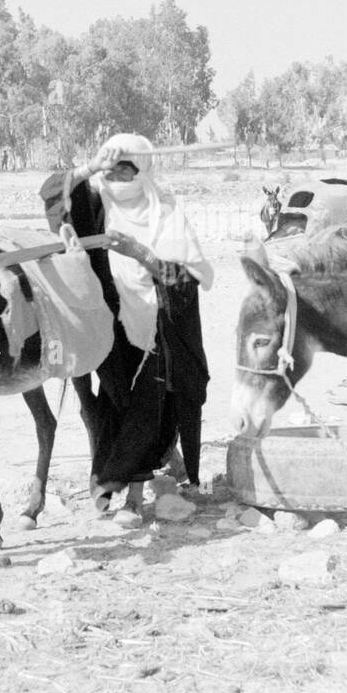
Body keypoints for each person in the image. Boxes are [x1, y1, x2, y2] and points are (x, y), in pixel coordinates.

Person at [40, 134, 212, 527]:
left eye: (126, 171)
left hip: (159, 331)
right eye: (111, 172)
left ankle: (132, 498)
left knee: (147, 409)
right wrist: (91, 167)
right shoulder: (98, 206)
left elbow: (186, 279)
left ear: (142, 172)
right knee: (115, 405)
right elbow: (53, 194)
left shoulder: (164, 214)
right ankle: (114, 480)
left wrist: (140, 254)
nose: (117, 179)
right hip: (111, 325)